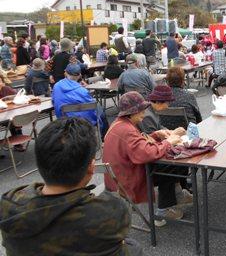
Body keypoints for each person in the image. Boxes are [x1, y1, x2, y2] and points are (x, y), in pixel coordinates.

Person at [0, 117, 142, 256]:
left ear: (40, 162)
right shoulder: (110, 209)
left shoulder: (9, 204)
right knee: (134, 247)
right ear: (91, 167)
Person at [103, 91, 190, 220]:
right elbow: (147, 154)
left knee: (171, 164)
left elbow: (137, 144)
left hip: (118, 177)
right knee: (171, 167)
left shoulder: (119, 124)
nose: (144, 113)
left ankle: (177, 196)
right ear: (133, 112)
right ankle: (163, 211)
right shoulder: (127, 130)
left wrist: (156, 135)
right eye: (142, 110)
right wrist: (168, 142)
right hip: (128, 181)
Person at [52, 63, 107, 136]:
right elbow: (92, 107)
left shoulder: (57, 86)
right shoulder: (82, 91)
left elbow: (53, 100)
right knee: (100, 109)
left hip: (65, 122)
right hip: (84, 122)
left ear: (65, 73)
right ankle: (104, 138)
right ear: (79, 75)